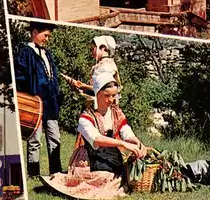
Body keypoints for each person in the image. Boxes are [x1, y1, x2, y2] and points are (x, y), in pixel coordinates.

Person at [41, 72, 148, 199]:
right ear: (97, 94)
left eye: (114, 95)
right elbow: (96, 140)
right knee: (103, 177)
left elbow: (125, 131)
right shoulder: (86, 117)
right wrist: (123, 144)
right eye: (106, 95)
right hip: (90, 156)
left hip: (111, 156)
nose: (111, 99)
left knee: (117, 175)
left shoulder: (116, 112)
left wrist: (137, 142)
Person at [14, 21, 62, 177]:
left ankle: (56, 171)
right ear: (34, 32)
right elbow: (20, 77)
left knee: (54, 137)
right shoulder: (25, 53)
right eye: (45, 35)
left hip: (51, 102)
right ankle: (33, 173)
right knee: (35, 140)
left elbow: (53, 75)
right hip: (36, 102)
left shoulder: (47, 54)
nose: (47, 39)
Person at [67, 35, 121, 169]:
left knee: (97, 136)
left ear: (103, 48)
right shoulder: (103, 64)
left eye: (93, 49)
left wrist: (82, 86)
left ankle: (95, 166)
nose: (92, 52)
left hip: (102, 108)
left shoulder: (106, 66)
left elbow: (103, 88)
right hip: (98, 105)